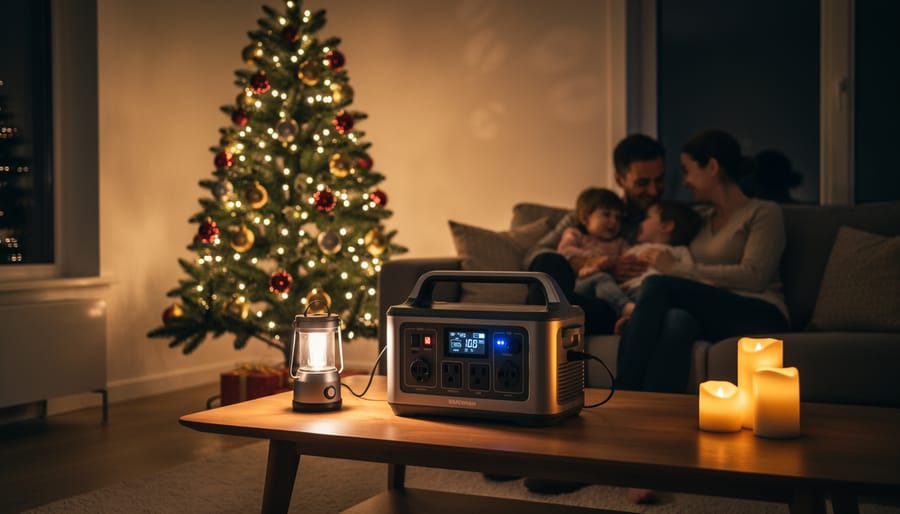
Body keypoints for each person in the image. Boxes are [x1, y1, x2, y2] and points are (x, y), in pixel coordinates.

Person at [616, 129, 790, 393]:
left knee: (658, 285)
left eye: (687, 171)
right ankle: (656, 409)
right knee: (677, 320)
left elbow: (754, 276)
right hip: (713, 310)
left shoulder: (763, 212)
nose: (684, 182)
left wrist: (678, 270)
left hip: (761, 311)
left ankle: (622, 392)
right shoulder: (700, 220)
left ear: (712, 167)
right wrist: (644, 315)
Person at [524, 134, 666, 335]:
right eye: (642, 183)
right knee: (548, 262)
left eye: (659, 181)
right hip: (578, 291)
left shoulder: (668, 221)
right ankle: (547, 326)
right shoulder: (588, 216)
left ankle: (544, 326)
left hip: (609, 304)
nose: (653, 191)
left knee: (600, 309)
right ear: (619, 179)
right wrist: (587, 262)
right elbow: (534, 256)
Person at [577, 200, 702, 333]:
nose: (640, 223)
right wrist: (596, 269)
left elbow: (689, 276)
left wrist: (672, 267)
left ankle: (631, 318)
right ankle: (628, 310)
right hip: (620, 292)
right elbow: (614, 267)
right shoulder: (634, 249)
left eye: (647, 218)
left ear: (666, 226)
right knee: (601, 279)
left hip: (650, 292)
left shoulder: (680, 251)